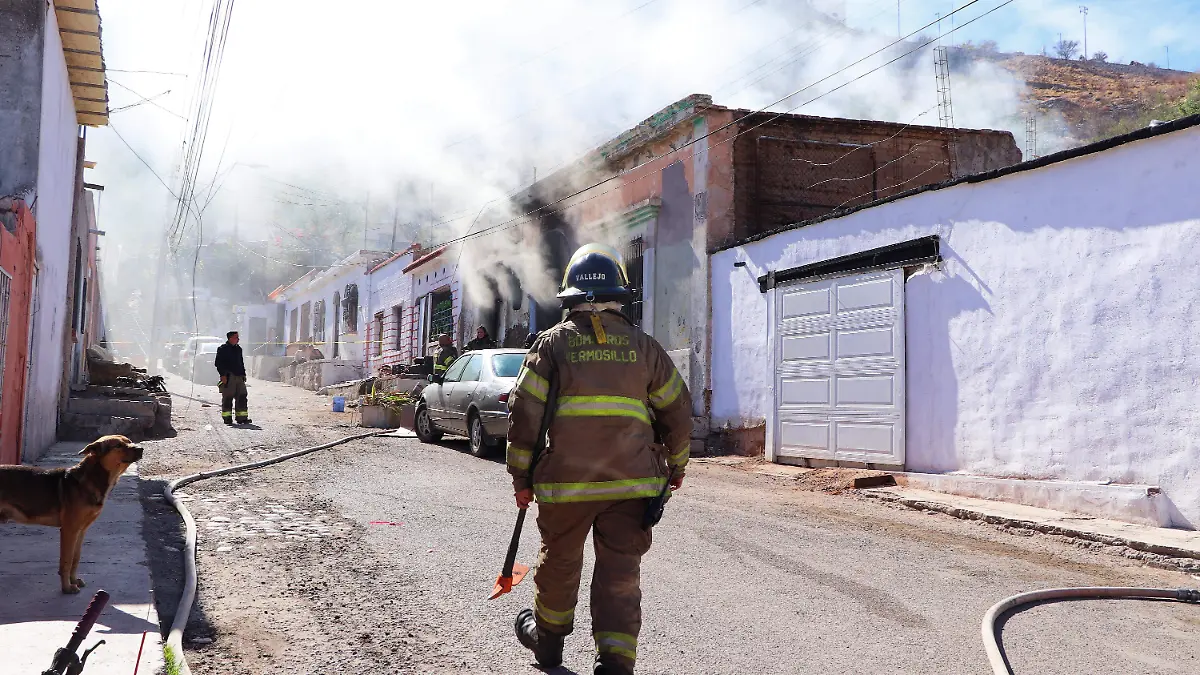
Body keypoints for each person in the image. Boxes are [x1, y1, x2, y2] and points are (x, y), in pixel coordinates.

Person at [506, 243, 692, 675]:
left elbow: (525, 412)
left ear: (570, 297)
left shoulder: (552, 345)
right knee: (620, 574)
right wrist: (677, 467)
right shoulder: (645, 348)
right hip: (632, 486)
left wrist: (521, 478)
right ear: (620, 295)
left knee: (561, 561)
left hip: (567, 485)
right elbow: (677, 411)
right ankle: (615, 661)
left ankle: (548, 643)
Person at [214, 331, 252, 425]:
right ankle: (227, 418)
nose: (238, 339)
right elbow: (218, 363)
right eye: (236, 337)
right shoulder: (223, 349)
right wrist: (223, 375)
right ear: (230, 338)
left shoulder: (238, 349)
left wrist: (243, 374)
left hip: (239, 377)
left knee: (242, 396)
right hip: (229, 377)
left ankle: (242, 418)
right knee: (228, 397)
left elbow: (241, 362)